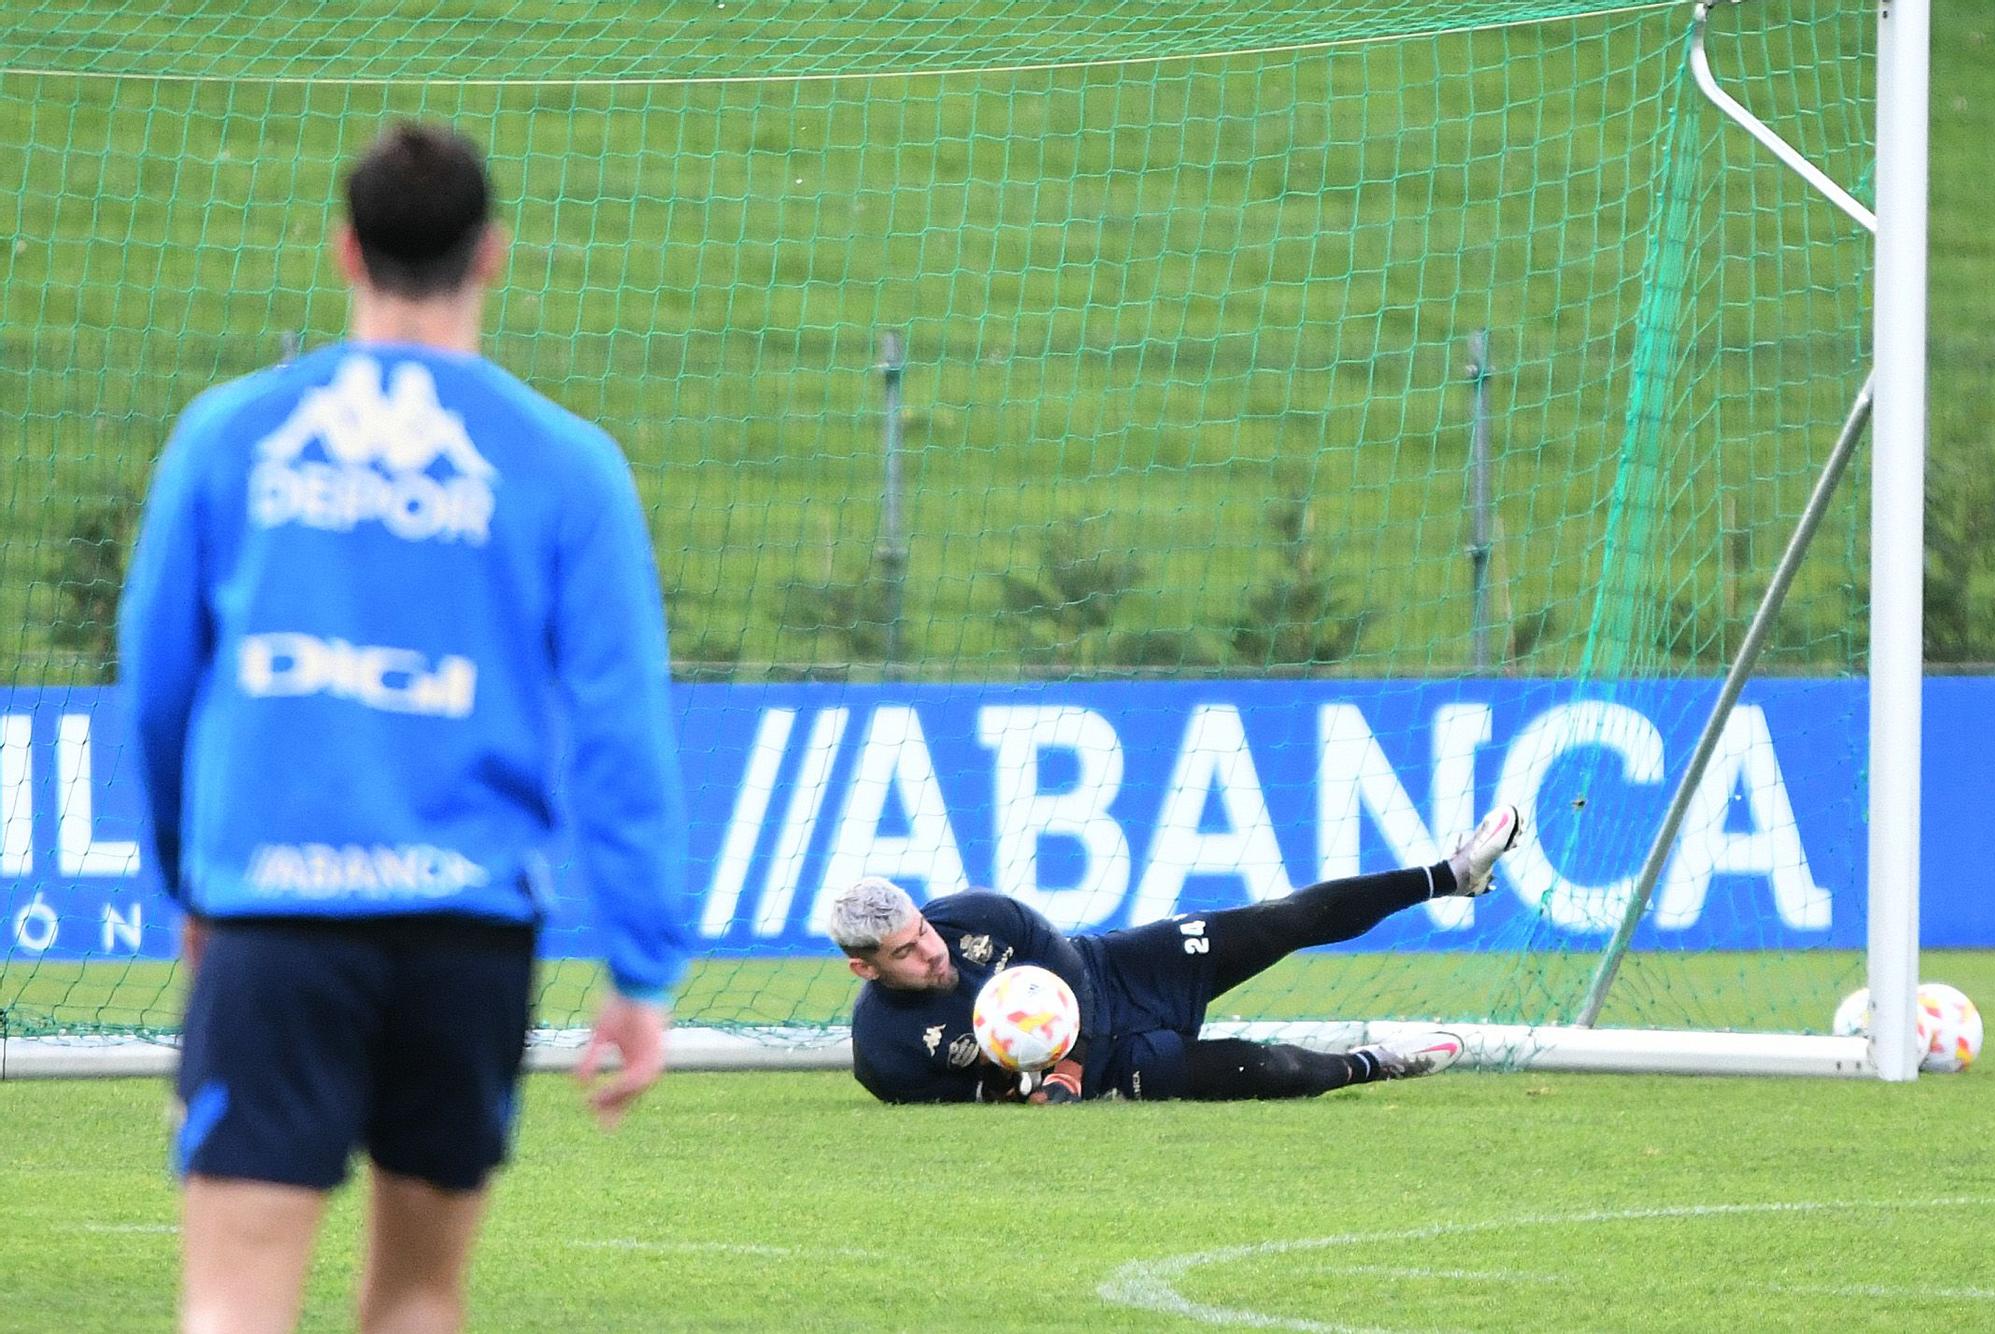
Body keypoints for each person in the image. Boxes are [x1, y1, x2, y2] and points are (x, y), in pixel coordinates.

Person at [118, 123, 692, 1333]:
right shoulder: (567, 464)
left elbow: (161, 684)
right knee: (421, 1299)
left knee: (230, 1303)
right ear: (492, 255)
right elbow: (620, 728)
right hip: (465, 933)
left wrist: (192, 880)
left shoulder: (231, 436)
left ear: (344, 250)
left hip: (276, 915)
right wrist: (640, 965)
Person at [829, 807, 1524, 1104]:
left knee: (1279, 920)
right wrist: (1032, 1092)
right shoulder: (883, 1052)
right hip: (1117, 1069)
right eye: (906, 952)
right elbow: (972, 1099)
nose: (931, 949)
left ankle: (1454, 874)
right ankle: (1378, 1064)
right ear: (865, 968)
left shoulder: (978, 914)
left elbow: (1070, 974)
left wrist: (1064, 1065)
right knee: (1268, 1071)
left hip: (1118, 973)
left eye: (923, 929)